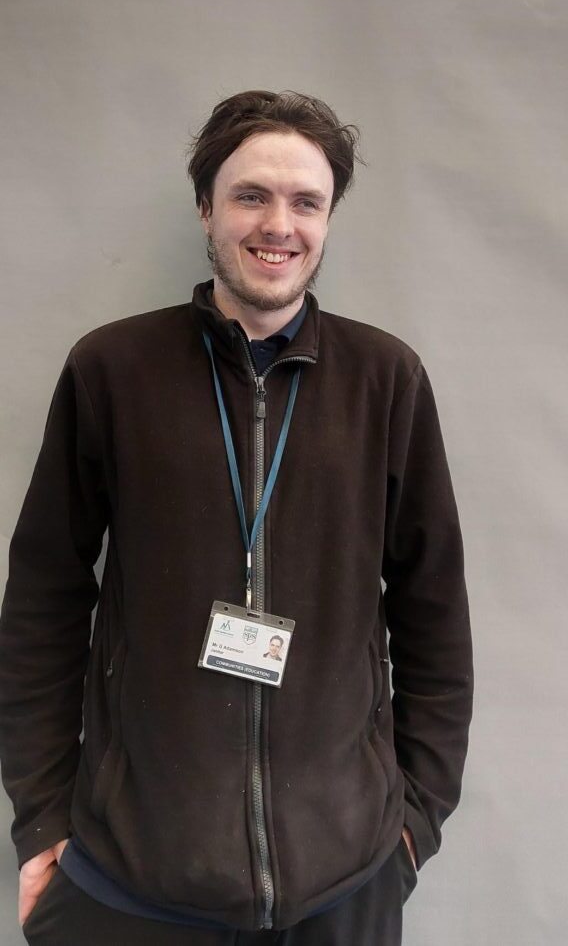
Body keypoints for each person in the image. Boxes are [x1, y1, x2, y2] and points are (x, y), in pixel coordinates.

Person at [0, 89, 473, 945]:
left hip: (344, 880)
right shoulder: (113, 369)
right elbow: (43, 598)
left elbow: (433, 612)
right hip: (133, 875)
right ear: (206, 207)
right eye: (251, 195)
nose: (278, 225)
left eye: (306, 202)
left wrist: (415, 823)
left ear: (328, 219)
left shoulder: (386, 379)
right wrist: (40, 818)